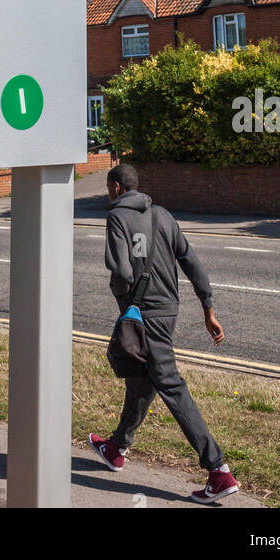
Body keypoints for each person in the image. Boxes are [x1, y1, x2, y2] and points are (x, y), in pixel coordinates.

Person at [88, 162, 239, 504]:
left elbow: (122, 270)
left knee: (170, 384)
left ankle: (218, 470)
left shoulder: (117, 217)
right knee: (142, 380)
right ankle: (116, 448)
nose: (108, 193)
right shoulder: (163, 216)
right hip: (169, 310)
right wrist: (208, 308)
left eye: (108, 188)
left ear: (116, 187)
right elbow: (191, 261)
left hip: (144, 314)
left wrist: (123, 298)